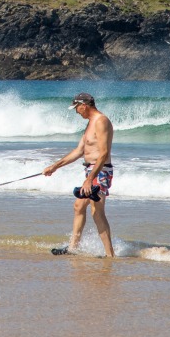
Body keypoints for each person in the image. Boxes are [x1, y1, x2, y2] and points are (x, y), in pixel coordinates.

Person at [43, 92, 116, 257]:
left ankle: (110, 255)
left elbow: (103, 153)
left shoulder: (101, 121)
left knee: (97, 211)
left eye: (77, 108)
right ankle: (73, 249)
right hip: (91, 170)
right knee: (79, 206)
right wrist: (55, 166)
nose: (77, 112)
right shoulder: (90, 123)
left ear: (84, 105)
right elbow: (79, 151)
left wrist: (90, 180)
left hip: (101, 170)